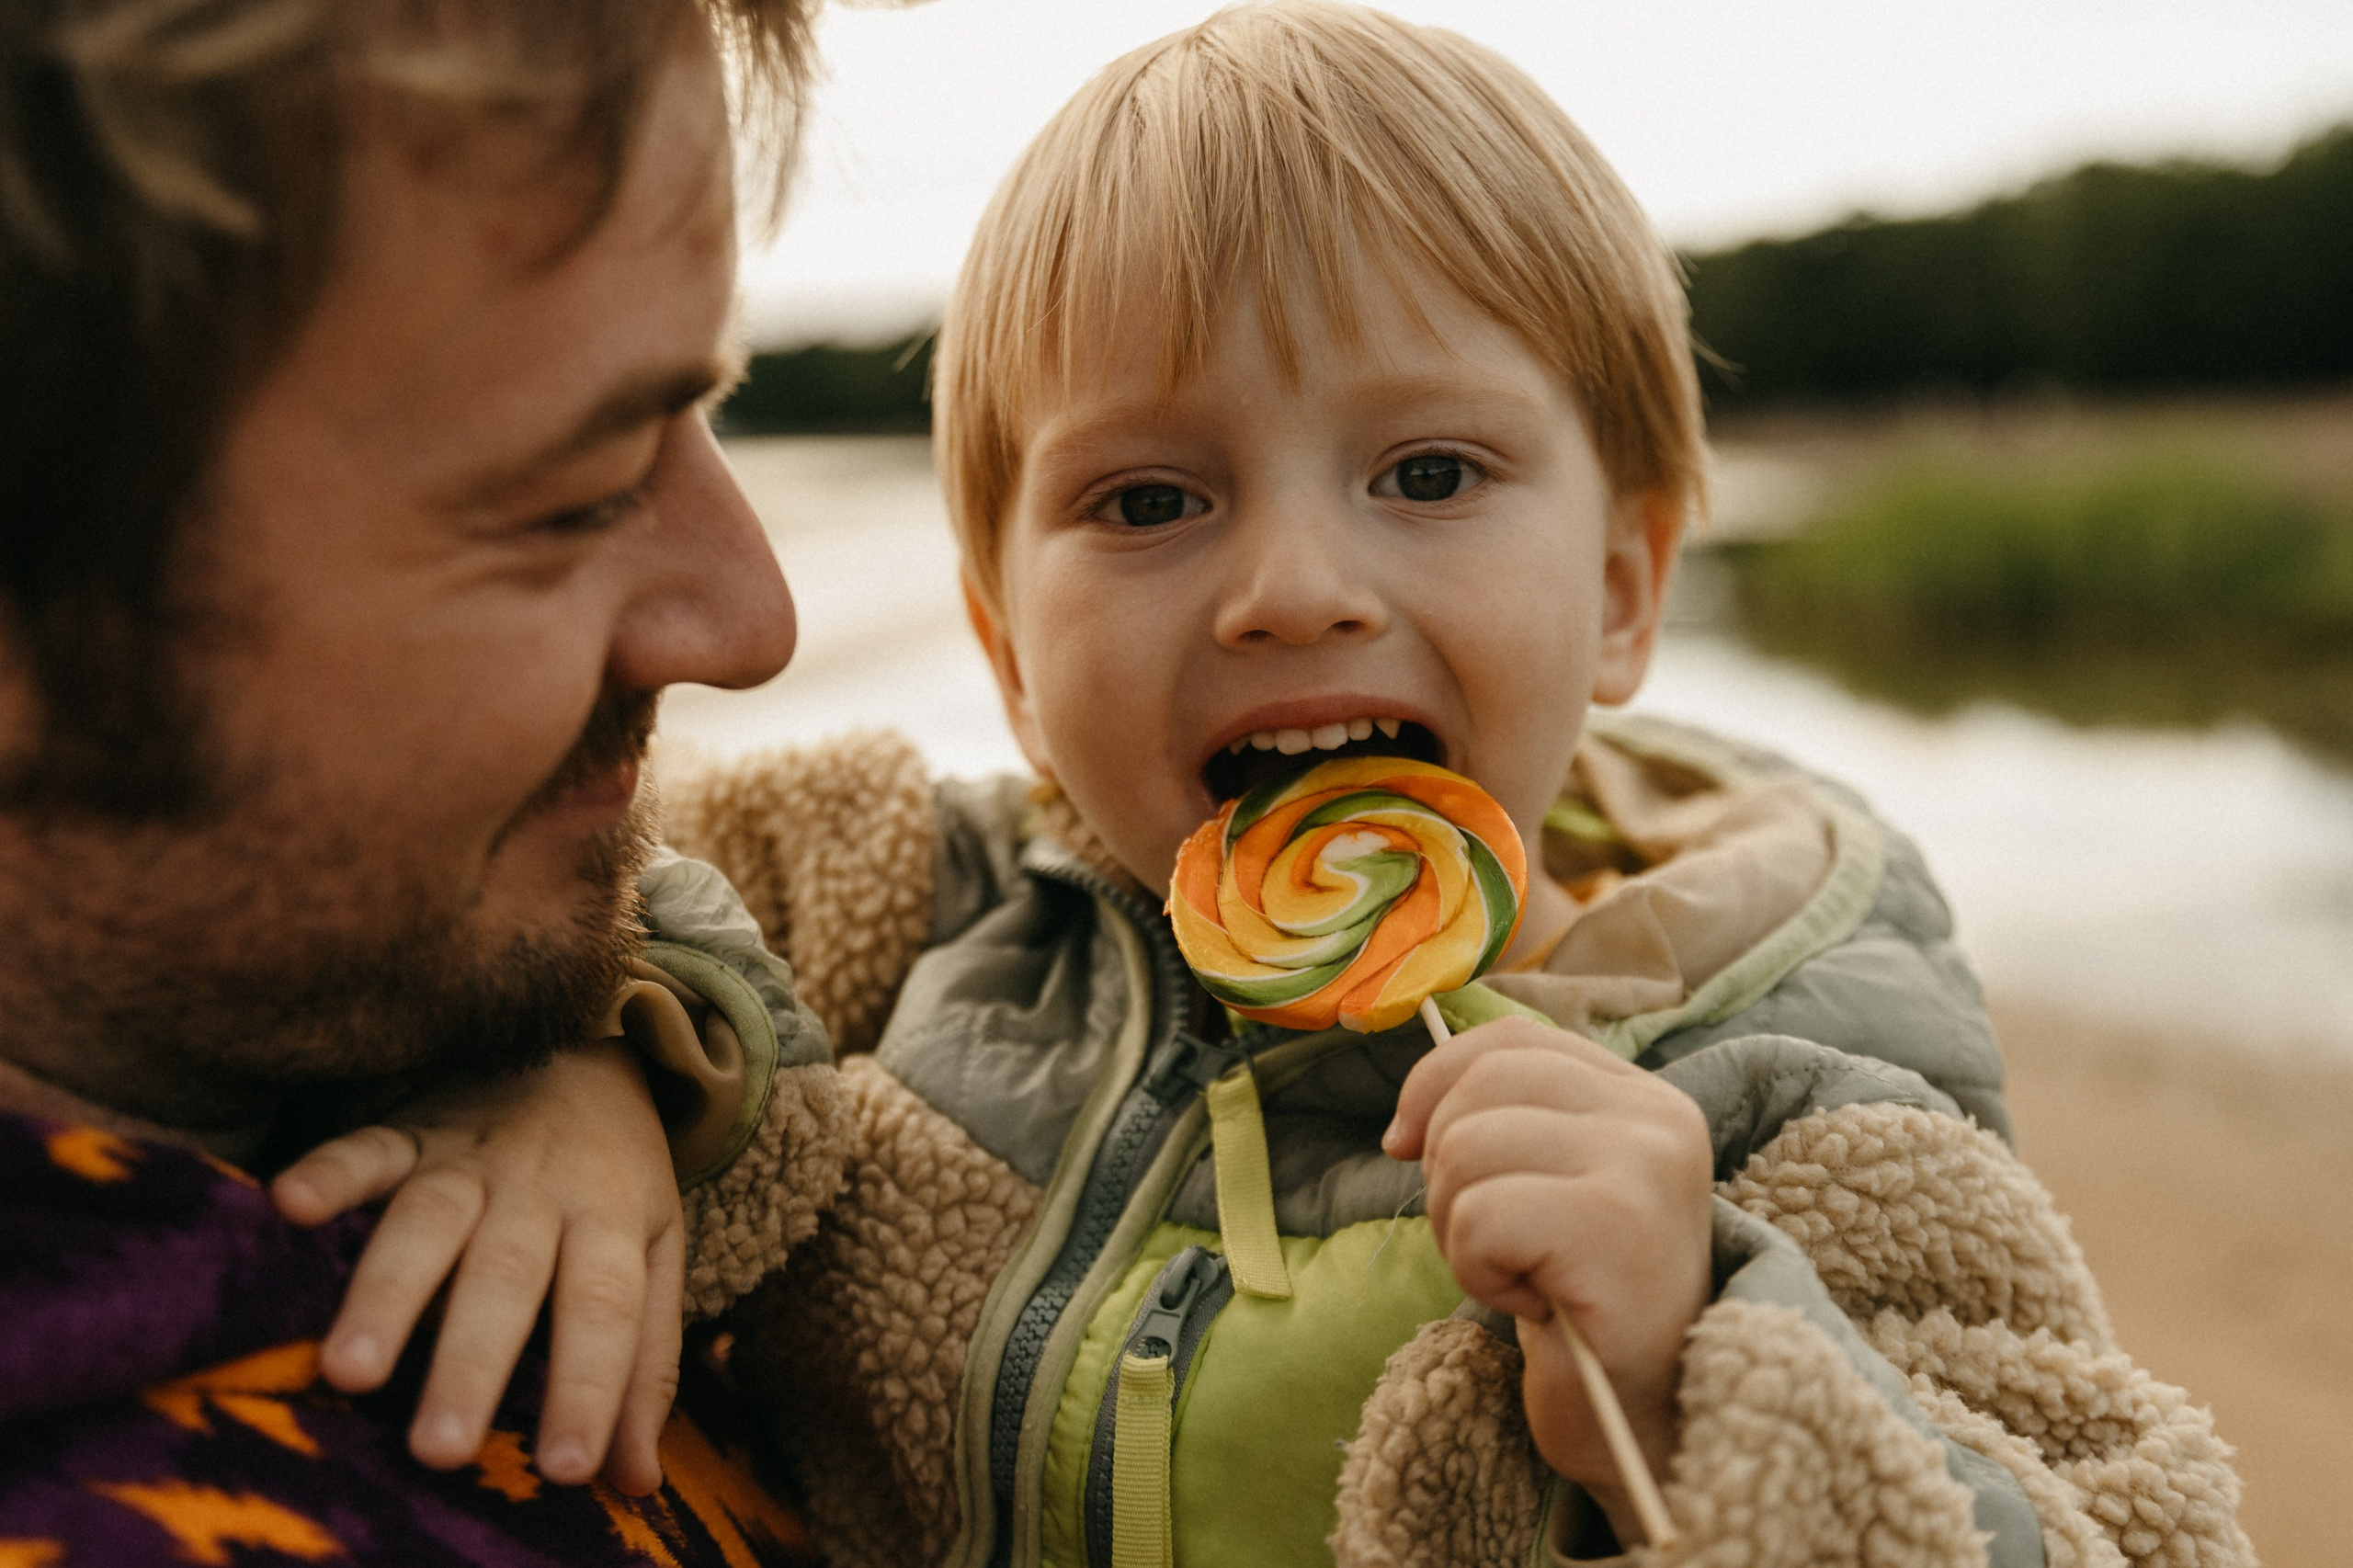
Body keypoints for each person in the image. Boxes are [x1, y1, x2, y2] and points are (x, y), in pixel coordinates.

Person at [312, 4, 2255, 1565]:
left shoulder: (1798, 1094)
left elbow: (2121, 1525)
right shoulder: (894, 901)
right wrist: (594, 1069)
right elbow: (531, 897)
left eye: (1425, 474)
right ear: (1002, 644)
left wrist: (1699, 1361)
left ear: (1618, 591)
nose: (1295, 589)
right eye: (1147, 500)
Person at [0, 1, 839, 1562]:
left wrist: (620, 1057)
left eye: (697, 415)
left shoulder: (476, 1030)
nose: (750, 622)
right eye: (578, 495)